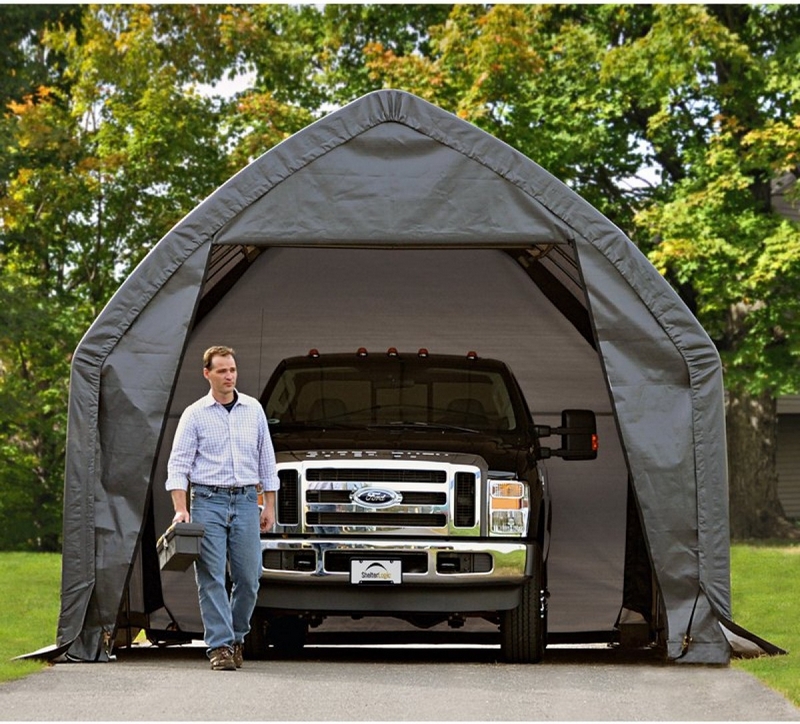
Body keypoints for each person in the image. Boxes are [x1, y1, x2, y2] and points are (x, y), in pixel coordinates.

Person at [166, 345, 279, 671]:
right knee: (211, 576)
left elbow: (266, 461)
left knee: (249, 577)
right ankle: (219, 647)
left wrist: (268, 506)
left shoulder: (253, 410)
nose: (229, 376)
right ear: (207, 374)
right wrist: (181, 509)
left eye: (232, 370)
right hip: (207, 501)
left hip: (246, 501)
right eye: (222, 371)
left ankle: (236, 636)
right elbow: (178, 466)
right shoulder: (194, 414)